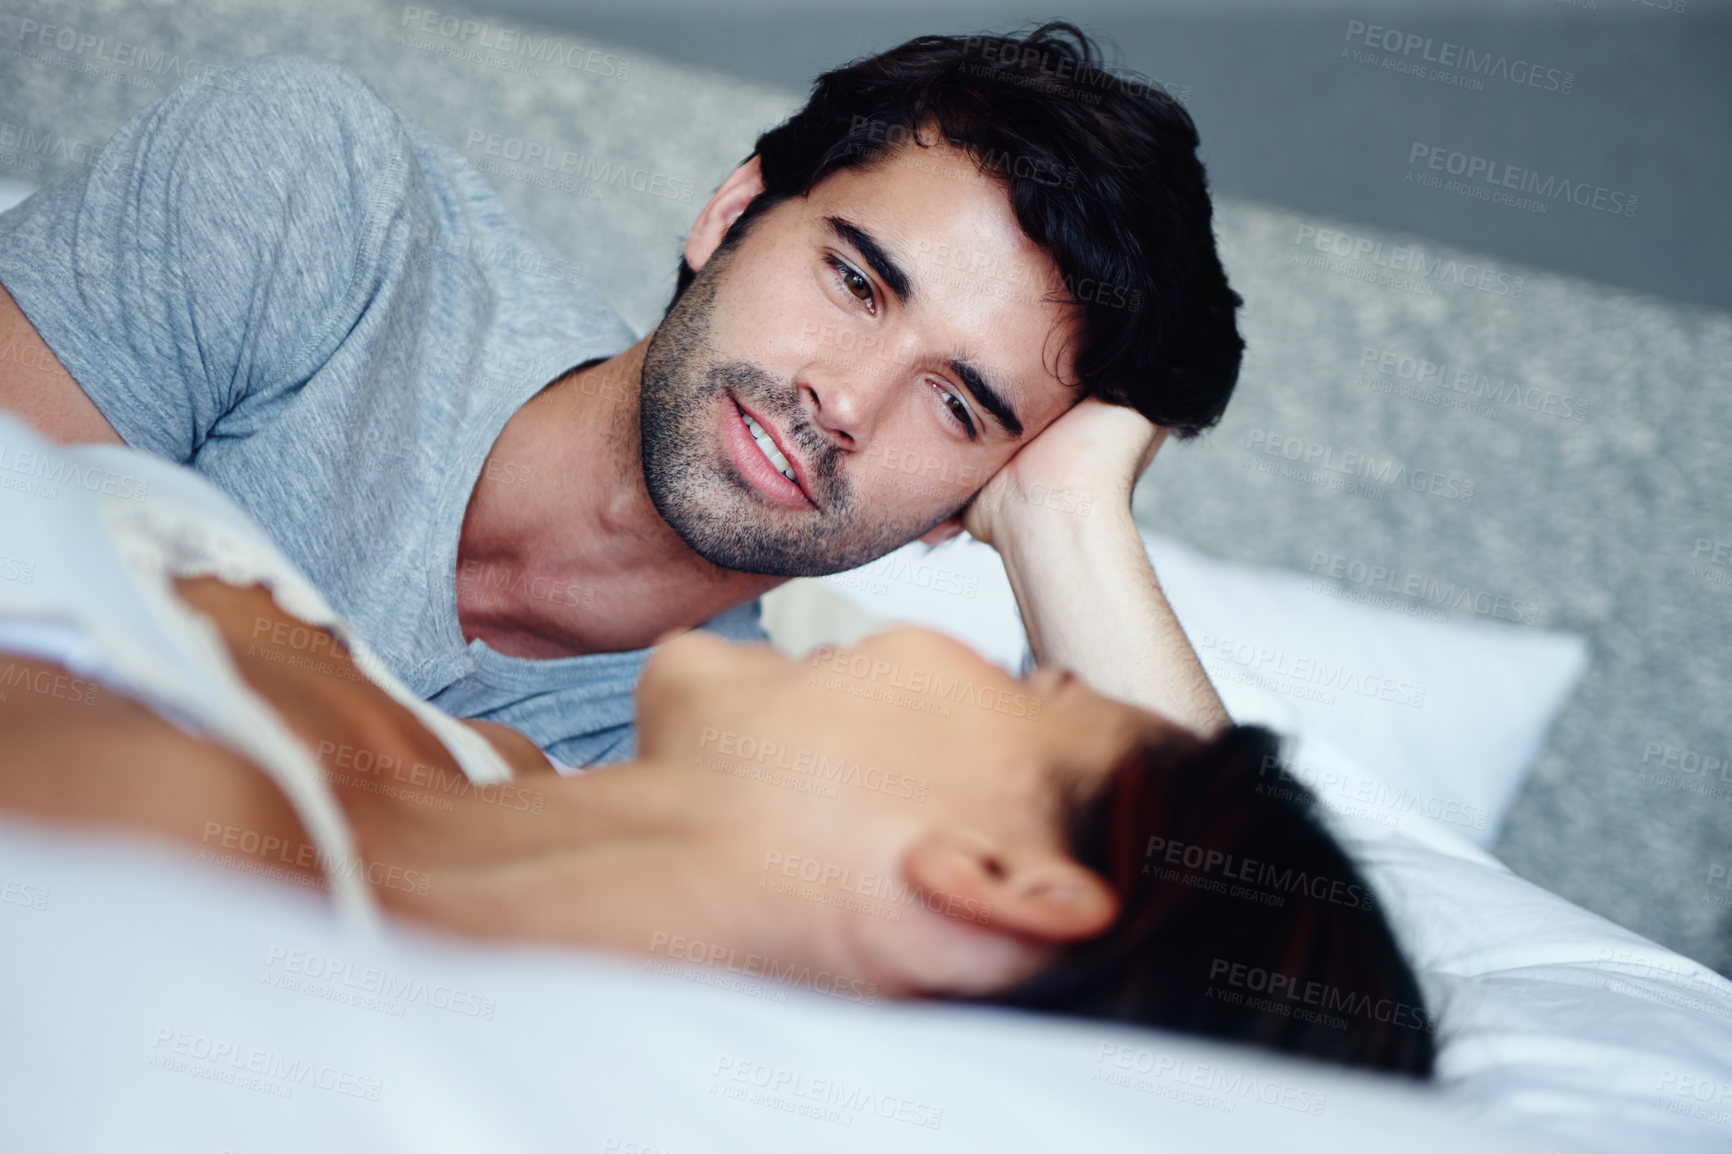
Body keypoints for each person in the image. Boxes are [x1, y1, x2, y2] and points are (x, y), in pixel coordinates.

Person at [0, 417, 1431, 1078]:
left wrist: (1064, 517)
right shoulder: (487, 766)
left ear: (998, 872)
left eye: (1025, 679)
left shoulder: (194, 922)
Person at [0, 23, 1245, 765]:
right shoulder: (315, 201)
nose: (846, 398)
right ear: (731, 213)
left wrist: (1067, 514)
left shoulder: (706, 756)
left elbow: (1236, 985)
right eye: (858, 282)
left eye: (958, 408)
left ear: (958, 512)